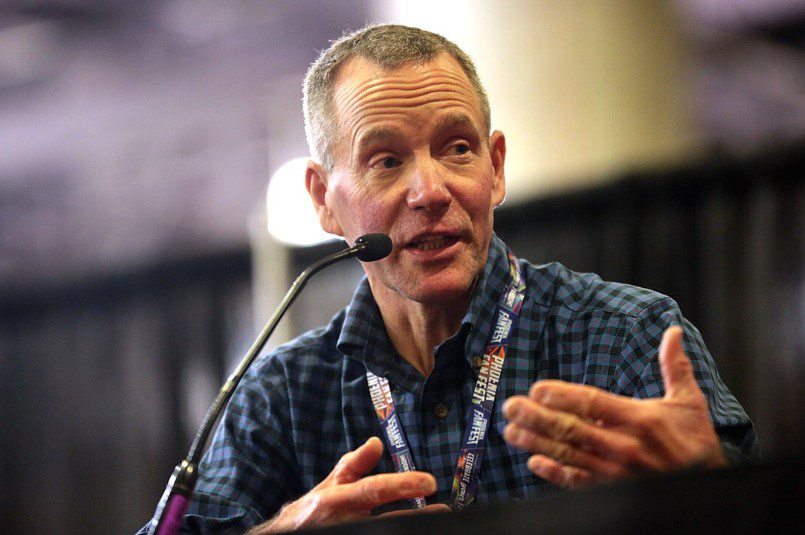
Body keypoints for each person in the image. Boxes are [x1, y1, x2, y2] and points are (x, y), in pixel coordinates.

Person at [141, 23, 757, 534]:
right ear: (324, 200)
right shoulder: (281, 397)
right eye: (386, 160)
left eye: (458, 148)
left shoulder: (627, 335)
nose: (430, 191)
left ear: (496, 167)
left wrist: (715, 489)